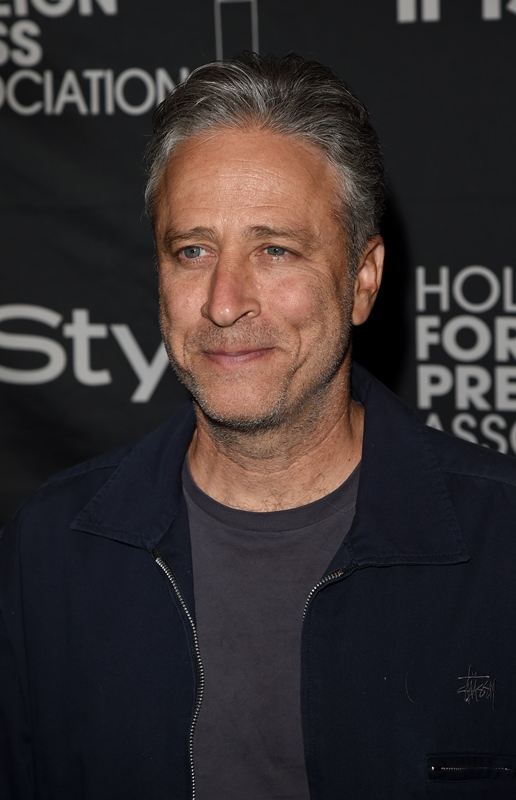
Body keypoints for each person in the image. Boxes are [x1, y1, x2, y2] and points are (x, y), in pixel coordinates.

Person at [2, 53, 516, 800]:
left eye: (275, 249)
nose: (224, 301)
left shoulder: (503, 545)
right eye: (193, 251)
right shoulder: (50, 553)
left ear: (363, 279)